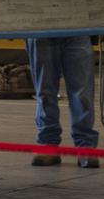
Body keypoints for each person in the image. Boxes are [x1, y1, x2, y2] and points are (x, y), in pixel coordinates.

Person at [26, 36, 99, 168]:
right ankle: (48, 144)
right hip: (41, 31)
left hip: (78, 30)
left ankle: (85, 146)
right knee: (45, 91)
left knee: (82, 93)